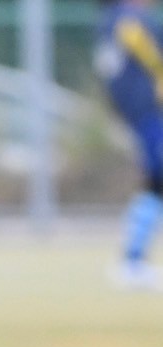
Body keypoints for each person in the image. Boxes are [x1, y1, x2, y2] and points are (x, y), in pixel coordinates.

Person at [96, 0, 163, 288]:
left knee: (156, 181)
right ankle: (132, 261)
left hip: (140, 114)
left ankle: (133, 260)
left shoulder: (110, 21)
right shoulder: (128, 19)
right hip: (148, 112)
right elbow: (144, 49)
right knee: (157, 179)